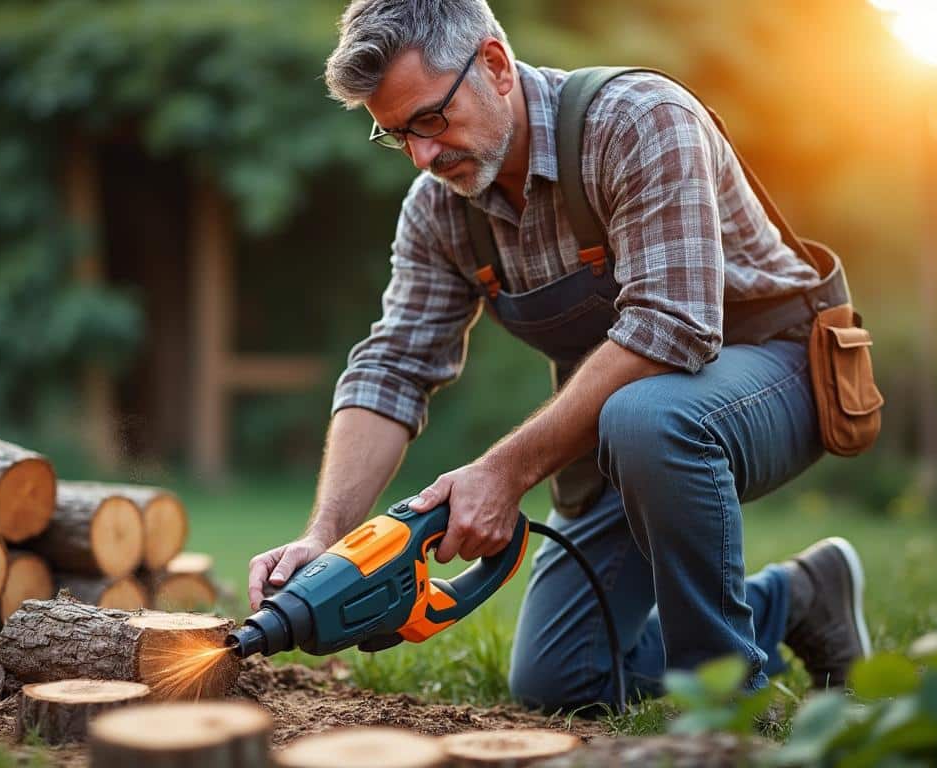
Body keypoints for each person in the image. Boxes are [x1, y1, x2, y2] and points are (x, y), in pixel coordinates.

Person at [247, 0, 871, 711]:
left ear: (495, 65)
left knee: (649, 417)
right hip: (629, 425)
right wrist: (326, 537)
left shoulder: (638, 120)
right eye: (397, 136)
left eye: (430, 119)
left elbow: (674, 327)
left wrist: (502, 473)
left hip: (780, 370)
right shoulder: (438, 210)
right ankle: (799, 598)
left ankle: (725, 712)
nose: (422, 155)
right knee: (560, 680)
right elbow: (392, 368)